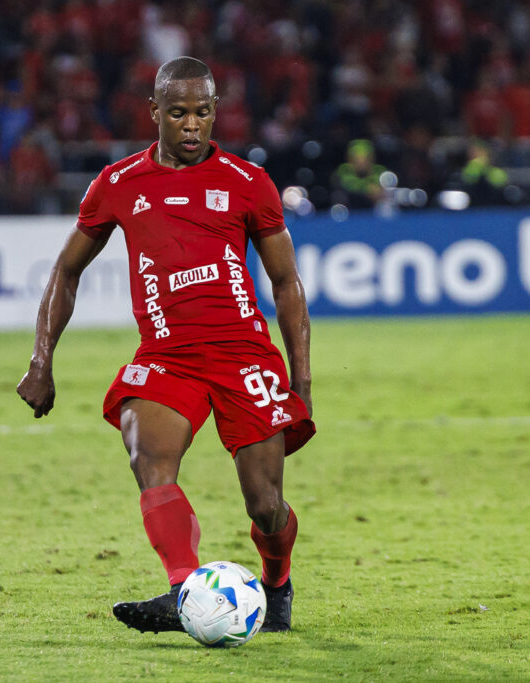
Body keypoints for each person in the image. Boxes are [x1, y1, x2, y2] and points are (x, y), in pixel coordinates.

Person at [16, 56, 315, 634]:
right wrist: (41, 358)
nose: (192, 125)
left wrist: (300, 385)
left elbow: (286, 283)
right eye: (177, 113)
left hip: (243, 356)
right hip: (167, 356)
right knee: (147, 458)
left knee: (265, 505)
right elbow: (67, 270)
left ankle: (276, 580)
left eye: (202, 112)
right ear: (154, 112)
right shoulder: (119, 184)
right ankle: (185, 592)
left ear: (215, 112)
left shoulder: (248, 184)